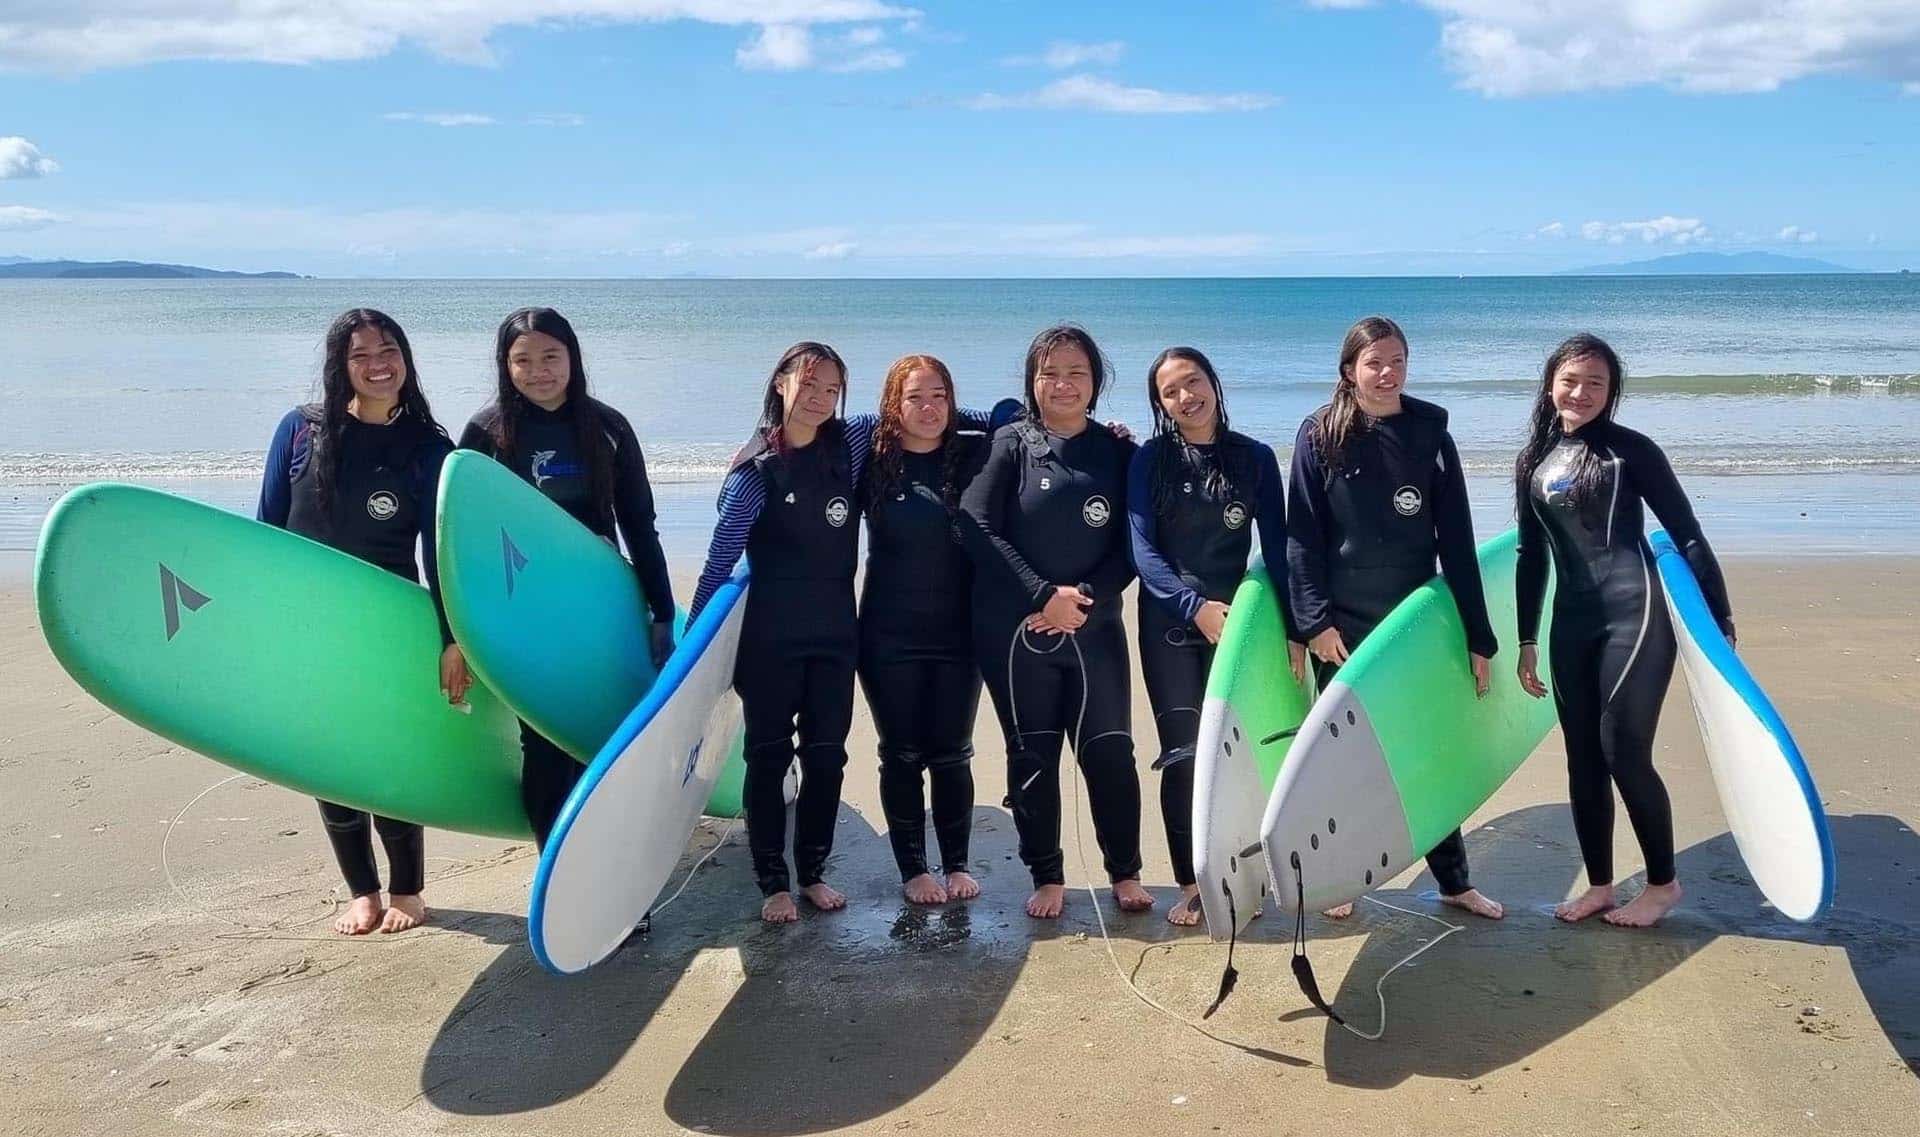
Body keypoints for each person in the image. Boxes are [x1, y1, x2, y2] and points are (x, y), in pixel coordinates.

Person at [688, 344, 1001, 923]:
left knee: (828, 760)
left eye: (831, 389)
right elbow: (719, 560)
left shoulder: (851, 444)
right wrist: (691, 646)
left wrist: (1036, 415)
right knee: (768, 758)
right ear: (779, 383)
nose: (819, 398)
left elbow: (938, 410)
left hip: (836, 636)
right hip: (770, 640)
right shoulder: (754, 472)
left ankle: (811, 873)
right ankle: (772, 882)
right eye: (808, 385)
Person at [1286, 315, 1504, 921]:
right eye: (1375, 362)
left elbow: (1457, 542)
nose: (1387, 373)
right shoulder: (1318, 435)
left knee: (1426, 753)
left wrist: (1477, 636)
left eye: (1398, 361)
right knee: (1351, 759)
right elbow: (1301, 538)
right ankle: (1348, 877)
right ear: (1349, 370)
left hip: (1412, 624)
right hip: (1346, 632)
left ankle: (1454, 882)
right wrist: (1313, 622)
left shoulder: (1430, 434)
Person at [1514, 333, 1735, 928]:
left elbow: (1686, 532)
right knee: (1581, 759)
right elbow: (1530, 554)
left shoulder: (1630, 452)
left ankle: (1662, 885)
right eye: (1571, 380)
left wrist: (1721, 619)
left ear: (1611, 393)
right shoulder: (1534, 461)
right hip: (1571, 625)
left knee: (1623, 753)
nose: (1581, 392)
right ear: (1550, 381)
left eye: (1597, 383)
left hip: (1634, 618)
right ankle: (1602, 886)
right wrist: (1526, 639)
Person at [257, 308, 464, 935]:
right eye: (361, 355)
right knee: (328, 755)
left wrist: (452, 640)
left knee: (386, 752)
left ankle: (408, 890)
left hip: (389, 624)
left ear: (405, 356)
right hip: (308, 623)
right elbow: (264, 533)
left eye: (389, 350)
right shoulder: (299, 431)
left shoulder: (430, 448)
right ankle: (360, 891)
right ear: (339, 366)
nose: (378, 365)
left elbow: (443, 556)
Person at [458, 306, 675, 847]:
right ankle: (557, 862)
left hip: (598, 607)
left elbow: (639, 526)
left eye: (551, 356)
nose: (538, 371)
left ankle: (609, 858)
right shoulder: (486, 434)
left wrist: (663, 612)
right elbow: (463, 541)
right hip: (525, 614)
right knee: (544, 738)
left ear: (573, 357)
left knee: (603, 730)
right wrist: (462, 629)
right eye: (522, 360)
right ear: (505, 366)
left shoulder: (608, 429)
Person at [958, 324, 1150, 920]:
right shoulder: (1010, 443)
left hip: (1095, 629)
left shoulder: (1120, 453)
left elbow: (1136, 543)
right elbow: (974, 523)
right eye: (1050, 373)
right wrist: (1042, 595)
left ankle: (1126, 871)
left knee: (1111, 752)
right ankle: (1047, 875)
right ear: (1032, 382)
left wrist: (1082, 598)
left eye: (1076, 373)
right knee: (1033, 754)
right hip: (1018, 632)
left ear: (1096, 382)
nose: (1063, 384)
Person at [1127, 346, 1301, 926]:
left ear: (1213, 382)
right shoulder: (1149, 460)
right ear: (1160, 403)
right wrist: (1193, 605)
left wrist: (1293, 624)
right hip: (1170, 626)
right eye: (1170, 391)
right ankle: (1194, 880)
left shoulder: (1252, 458)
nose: (1185, 397)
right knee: (1185, 758)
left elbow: (1277, 549)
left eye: (1193, 382)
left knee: (1245, 754)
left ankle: (1249, 872)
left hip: (1242, 626)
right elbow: (1144, 554)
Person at [856, 354, 989, 905]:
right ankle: (914, 869)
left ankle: (956, 863)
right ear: (893, 404)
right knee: (903, 753)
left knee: (953, 752)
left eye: (940, 395)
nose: (929, 407)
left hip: (961, 633)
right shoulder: (868, 460)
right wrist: (758, 444)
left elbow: (1022, 419)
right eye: (915, 397)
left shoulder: (976, 454)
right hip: (888, 634)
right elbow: (805, 440)